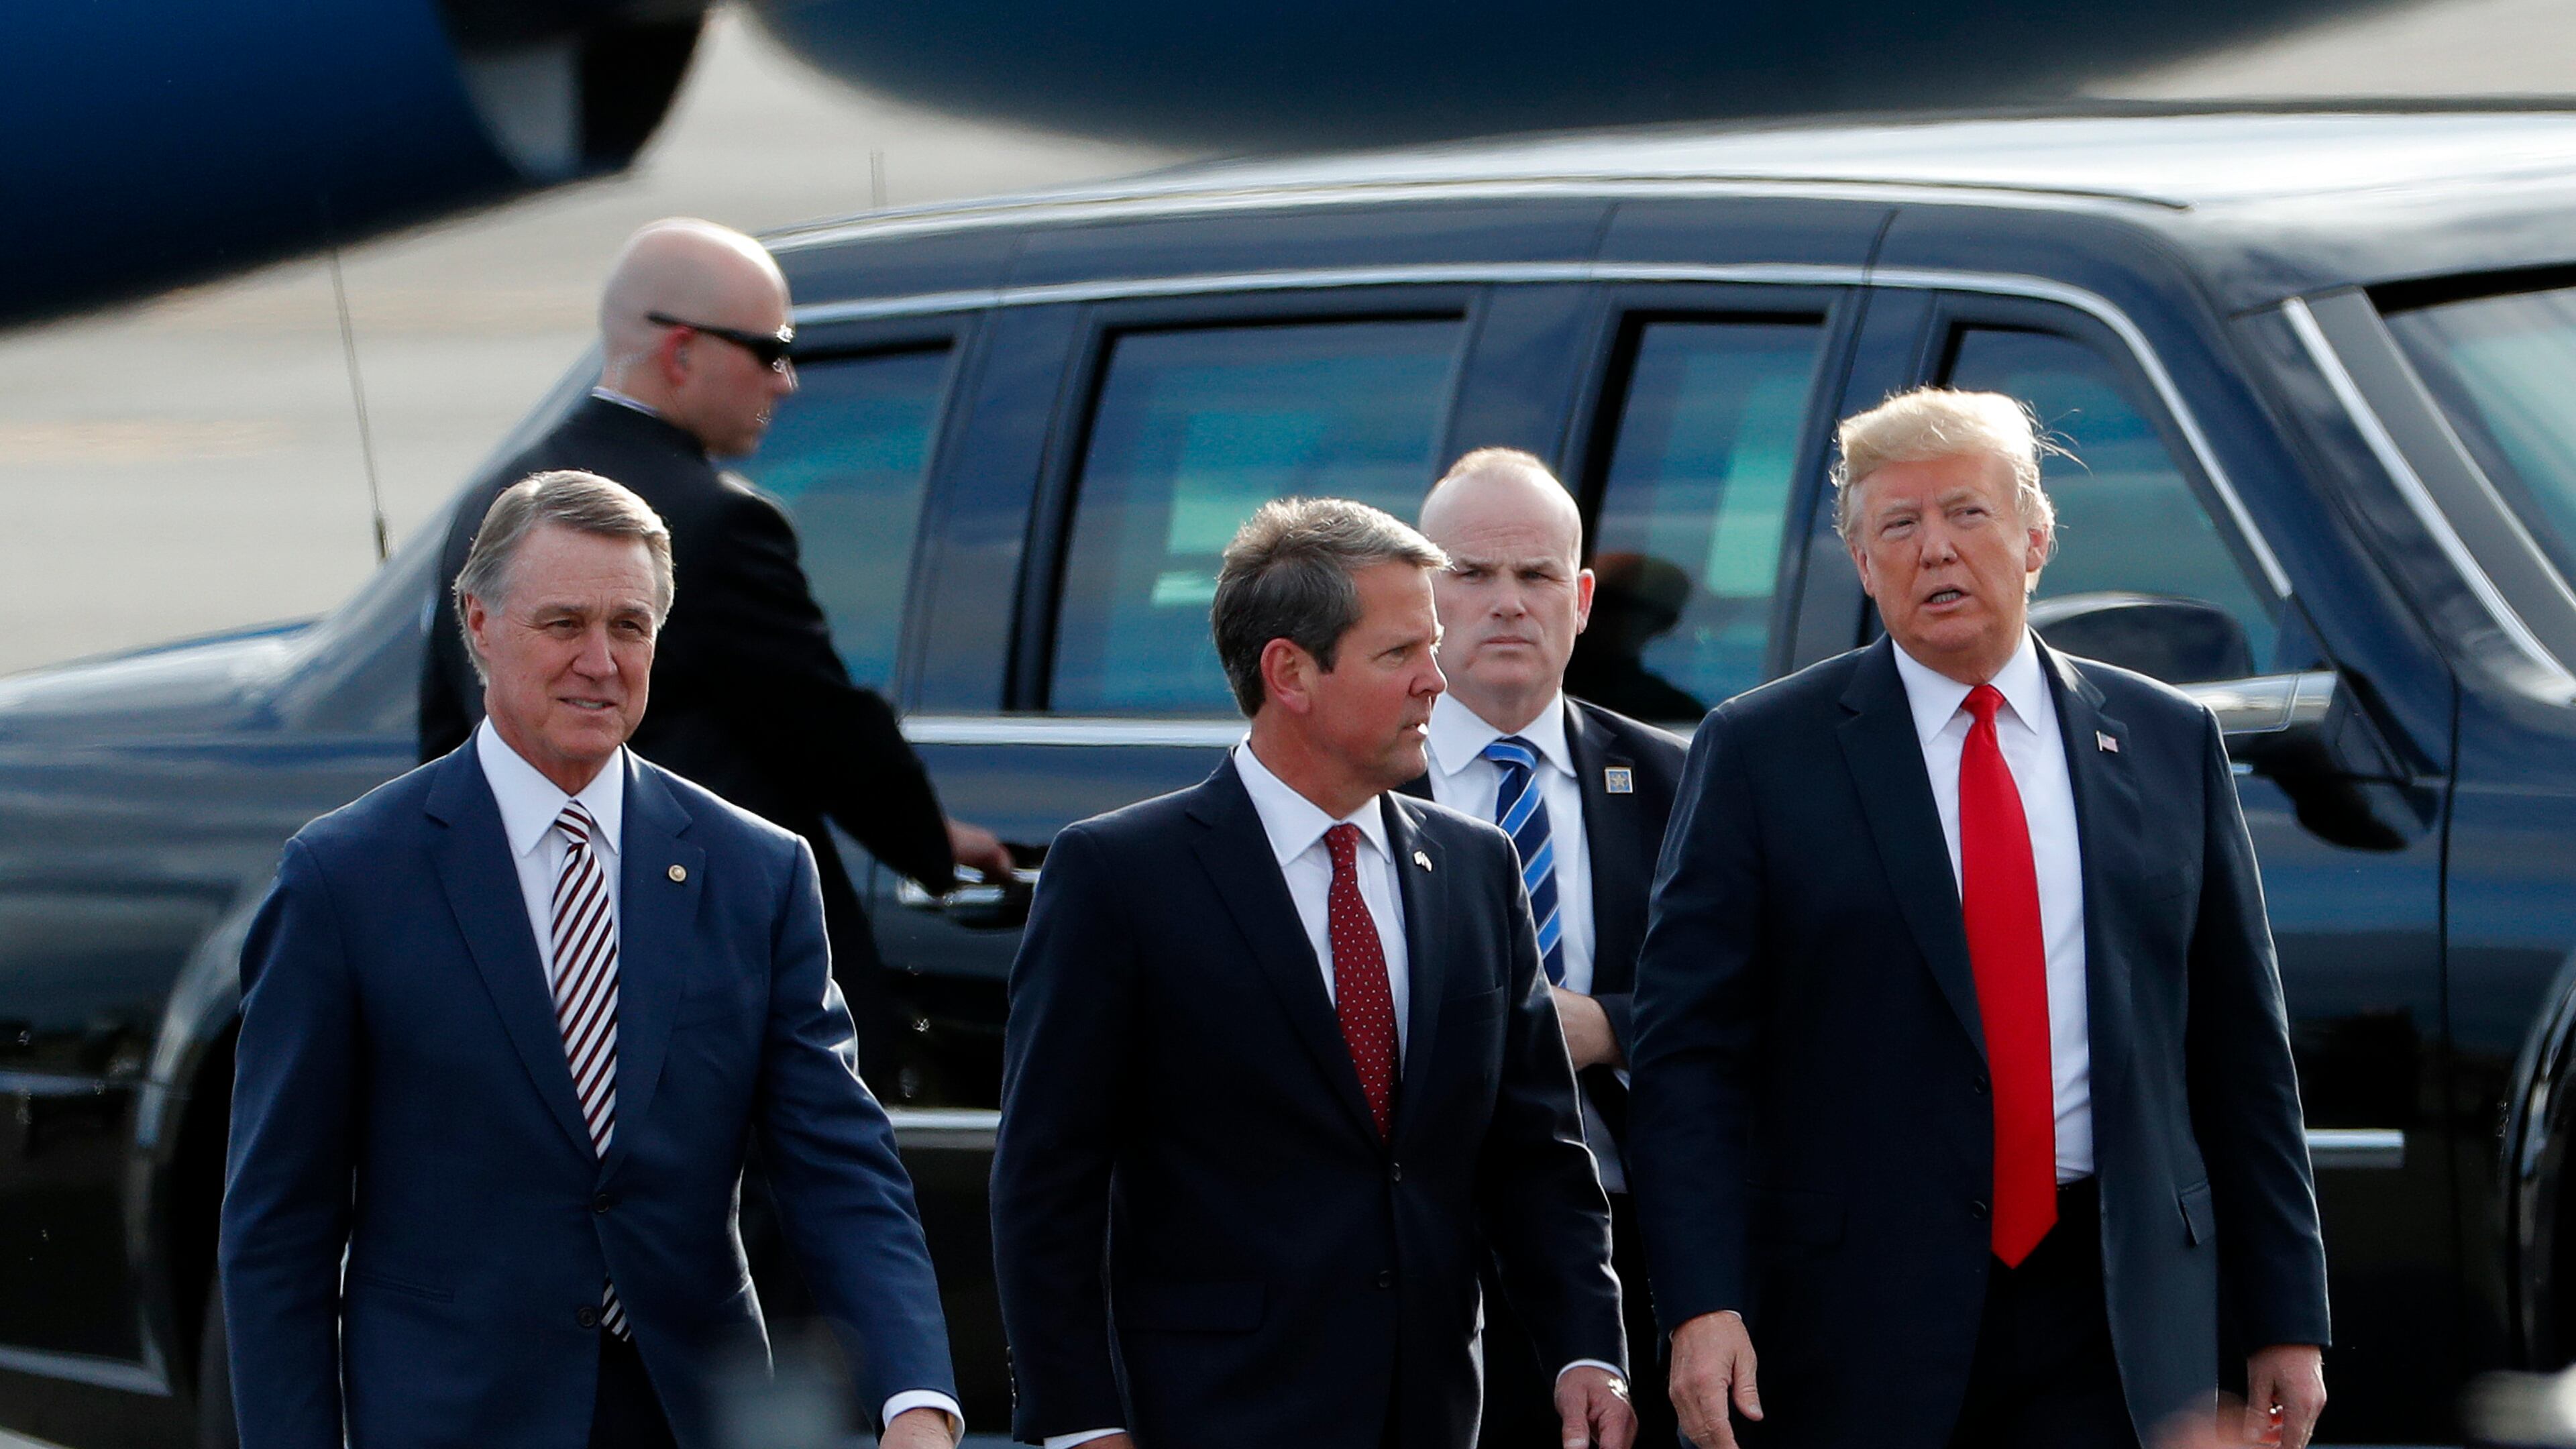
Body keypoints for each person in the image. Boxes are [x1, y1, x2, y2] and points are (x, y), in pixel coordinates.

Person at [1629, 389, 2330, 1449]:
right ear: (1863, 564)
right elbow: (1687, 1057)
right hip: (1856, 1318)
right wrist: (1700, 1303)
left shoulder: (2165, 739)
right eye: (1898, 527)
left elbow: (2242, 1053)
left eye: (1967, 514)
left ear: (2038, 536)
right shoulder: (1763, 753)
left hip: (2114, 1306)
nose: (1934, 552)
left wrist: (2287, 1316)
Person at [225, 472, 963, 1448]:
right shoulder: (345, 879)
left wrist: (914, 1397)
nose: (601, 662)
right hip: (453, 1417)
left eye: (631, 626)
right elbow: (280, 1229)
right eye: (563, 623)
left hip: (686, 1416)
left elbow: (837, 1165)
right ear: (478, 624)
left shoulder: (756, 872)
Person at [991, 498, 1635, 1449]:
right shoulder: (1121, 876)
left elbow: (1534, 1147)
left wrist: (1588, 1346)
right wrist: (1080, 1423)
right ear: (1288, 672)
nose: (1435, 681)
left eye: (1432, 646)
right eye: (1399, 655)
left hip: (1426, 1412)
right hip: (1208, 1412)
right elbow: (1048, 1182)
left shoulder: (1475, 867)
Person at [418, 217, 1011, 1087]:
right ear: (683, 351)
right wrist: (930, 843)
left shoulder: (493, 505)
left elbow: (447, 742)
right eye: (768, 350)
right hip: (699, 977)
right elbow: (820, 723)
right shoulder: (718, 522)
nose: (787, 379)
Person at [1405, 449, 1688, 1449]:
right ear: (1419, 594)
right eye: (1472, 576)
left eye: (1535, 578)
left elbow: (1758, 1003)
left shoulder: (1678, 783)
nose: (1507, 604)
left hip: (1633, 1253)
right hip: (1417, 1262)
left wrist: (1608, 1025)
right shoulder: (1350, 787)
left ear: (1581, 600)